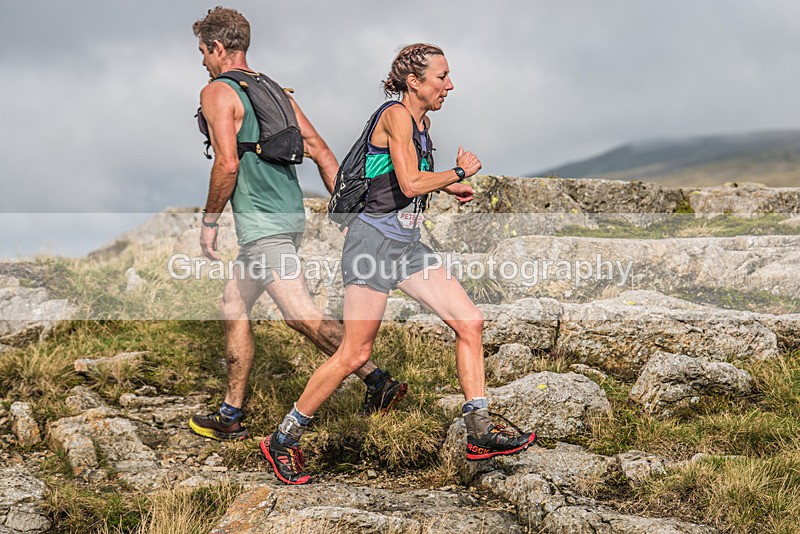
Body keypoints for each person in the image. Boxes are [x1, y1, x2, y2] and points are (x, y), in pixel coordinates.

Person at [262, 43, 536, 485]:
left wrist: (445, 188)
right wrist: (459, 173)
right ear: (414, 81)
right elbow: (409, 182)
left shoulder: (422, 123)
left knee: (470, 322)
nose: (450, 85)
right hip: (372, 244)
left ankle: (479, 431)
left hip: (406, 246)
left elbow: (399, 176)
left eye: (448, 77)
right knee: (355, 353)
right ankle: (284, 439)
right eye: (441, 77)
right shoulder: (395, 115)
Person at [188, 7, 407, 442]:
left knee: (300, 315)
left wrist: (209, 222)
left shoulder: (216, 92)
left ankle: (380, 382)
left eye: (202, 52)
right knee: (233, 304)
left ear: (217, 47)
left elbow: (228, 164)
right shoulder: (274, 92)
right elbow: (322, 151)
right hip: (286, 217)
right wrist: (347, 213)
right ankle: (231, 413)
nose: (202, 61)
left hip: (264, 223)